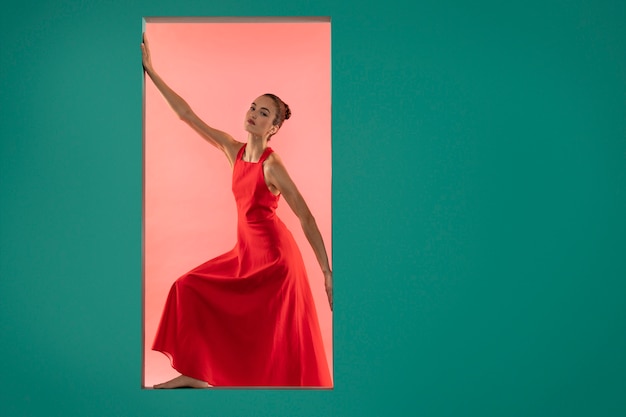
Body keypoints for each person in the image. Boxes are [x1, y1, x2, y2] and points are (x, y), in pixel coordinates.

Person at [141, 34, 333, 388]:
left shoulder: (272, 165)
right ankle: (198, 373)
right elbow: (187, 116)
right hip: (245, 253)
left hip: (275, 260)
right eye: (253, 107)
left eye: (264, 113)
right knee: (188, 287)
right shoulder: (232, 149)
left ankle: (238, 387)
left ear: (273, 127)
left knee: (271, 333)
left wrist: (327, 272)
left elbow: (306, 217)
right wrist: (150, 70)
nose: (254, 114)